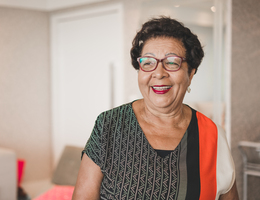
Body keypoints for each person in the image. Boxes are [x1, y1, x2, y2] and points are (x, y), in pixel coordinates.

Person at [72, 16, 239, 200]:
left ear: (190, 73)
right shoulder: (109, 125)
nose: (159, 73)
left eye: (172, 62)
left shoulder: (213, 136)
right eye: (148, 62)